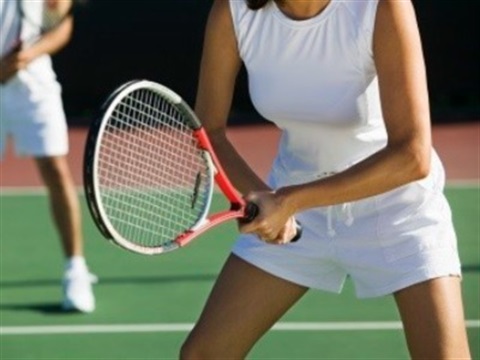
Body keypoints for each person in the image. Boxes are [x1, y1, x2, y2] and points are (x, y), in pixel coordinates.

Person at [180, 0, 472, 358]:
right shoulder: (234, 11)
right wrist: (263, 196)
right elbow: (210, 130)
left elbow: (412, 156)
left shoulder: (381, 7)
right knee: (203, 355)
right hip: (299, 209)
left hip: (398, 210)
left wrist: (288, 202)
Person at [0, 0, 96, 313]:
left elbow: (60, 25)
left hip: (33, 87)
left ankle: (75, 271)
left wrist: (29, 54)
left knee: (56, 170)